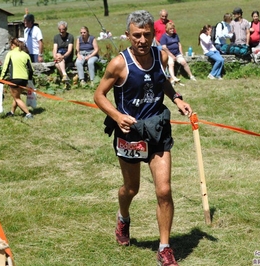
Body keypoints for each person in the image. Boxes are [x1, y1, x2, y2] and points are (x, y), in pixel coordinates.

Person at [93, 10, 192, 266]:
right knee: (131, 189)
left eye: (147, 34)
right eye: (137, 35)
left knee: (164, 190)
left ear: (153, 34)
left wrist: (177, 98)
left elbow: (162, 82)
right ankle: (123, 218)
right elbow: (99, 96)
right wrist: (116, 116)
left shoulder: (160, 55)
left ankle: (165, 247)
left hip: (158, 129)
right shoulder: (118, 64)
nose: (142, 40)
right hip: (131, 134)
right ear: (128, 35)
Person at [0, 38, 34, 119]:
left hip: (14, 78)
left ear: (13, 45)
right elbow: (31, 69)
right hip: (24, 79)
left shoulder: (10, 53)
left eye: (10, 45)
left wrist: (1, 79)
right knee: (17, 96)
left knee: (16, 98)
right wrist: (29, 79)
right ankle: (12, 112)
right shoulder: (26, 55)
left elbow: (5, 67)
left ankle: (28, 114)